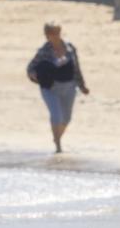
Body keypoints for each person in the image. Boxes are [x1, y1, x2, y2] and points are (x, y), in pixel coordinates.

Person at [28, 21, 90, 153]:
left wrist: (82, 85)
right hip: (50, 88)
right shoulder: (44, 51)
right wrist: (33, 74)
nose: (55, 36)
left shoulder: (69, 48)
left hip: (69, 87)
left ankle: (57, 138)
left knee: (66, 118)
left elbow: (76, 68)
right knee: (56, 115)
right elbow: (31, 67)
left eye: (57, 32)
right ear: (47, 35)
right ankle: (58, 146)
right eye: (52, 33)